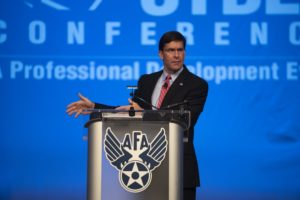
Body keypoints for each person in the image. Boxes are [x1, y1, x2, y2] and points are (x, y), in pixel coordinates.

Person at [67, 31, 208, 200]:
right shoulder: (146, 81)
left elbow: (188, 120)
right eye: (171, 50)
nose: (177, 55)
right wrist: (94, 107)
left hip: (179, 167)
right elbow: (132, 113)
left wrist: (146, 113)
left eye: (180, 50)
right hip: (143, 167)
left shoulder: (197, 84)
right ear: (161, 54)